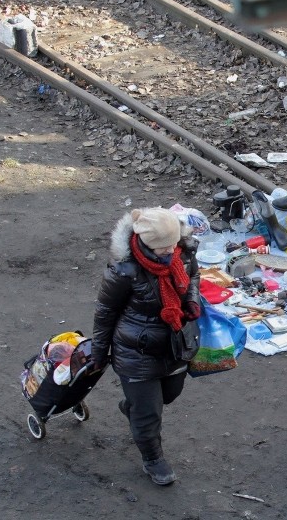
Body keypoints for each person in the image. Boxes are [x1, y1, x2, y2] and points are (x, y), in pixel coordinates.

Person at [91, 208, 201, 486]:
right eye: (162, 248)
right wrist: (99, 351)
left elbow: (193, 279)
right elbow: (105, 311)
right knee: (149, 414)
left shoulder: (183, 253)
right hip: (135, 350)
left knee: (169, 394)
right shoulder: (125, 270)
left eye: (171, 245)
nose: (168, 252)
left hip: (174, 344)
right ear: (146, 243)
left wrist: (191, 301)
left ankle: (134, 408)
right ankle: (153, 460)